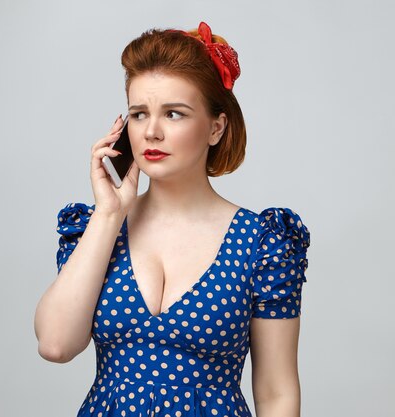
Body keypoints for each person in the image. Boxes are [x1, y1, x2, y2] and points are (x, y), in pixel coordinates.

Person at [34, 21, 311, 417]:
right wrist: (110, 214)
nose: (152, 132)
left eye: (174, 114)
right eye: (139, 114)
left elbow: (277, 391)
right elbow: (55, 345)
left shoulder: (263, 243)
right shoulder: (98, 228)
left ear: (216, 127)